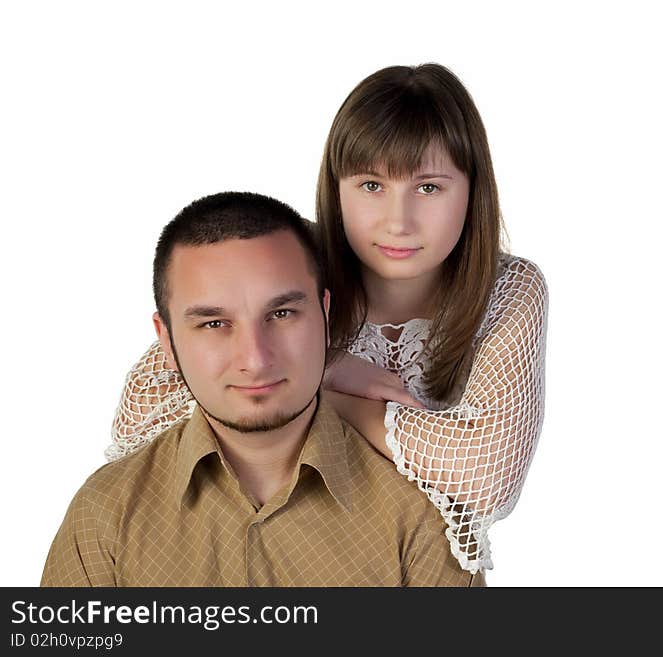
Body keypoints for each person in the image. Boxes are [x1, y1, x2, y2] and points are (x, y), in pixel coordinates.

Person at [109, 64, 548, 573]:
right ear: (337, 188)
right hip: (241, 539)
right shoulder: (292, 256)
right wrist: (327, 367)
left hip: (399, 563)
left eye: (428, 188)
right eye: (370, 185)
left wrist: (333, 395)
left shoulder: (509, 290)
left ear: (473, 191)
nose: (398, 222)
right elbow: (142, 411)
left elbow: (486, 478)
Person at [41, 192, 484, 587]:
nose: (255, 358)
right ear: (167, 341)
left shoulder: (426, 518)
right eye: (214, 324)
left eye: (283, 314)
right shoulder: (105, 515)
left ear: (325, 314)